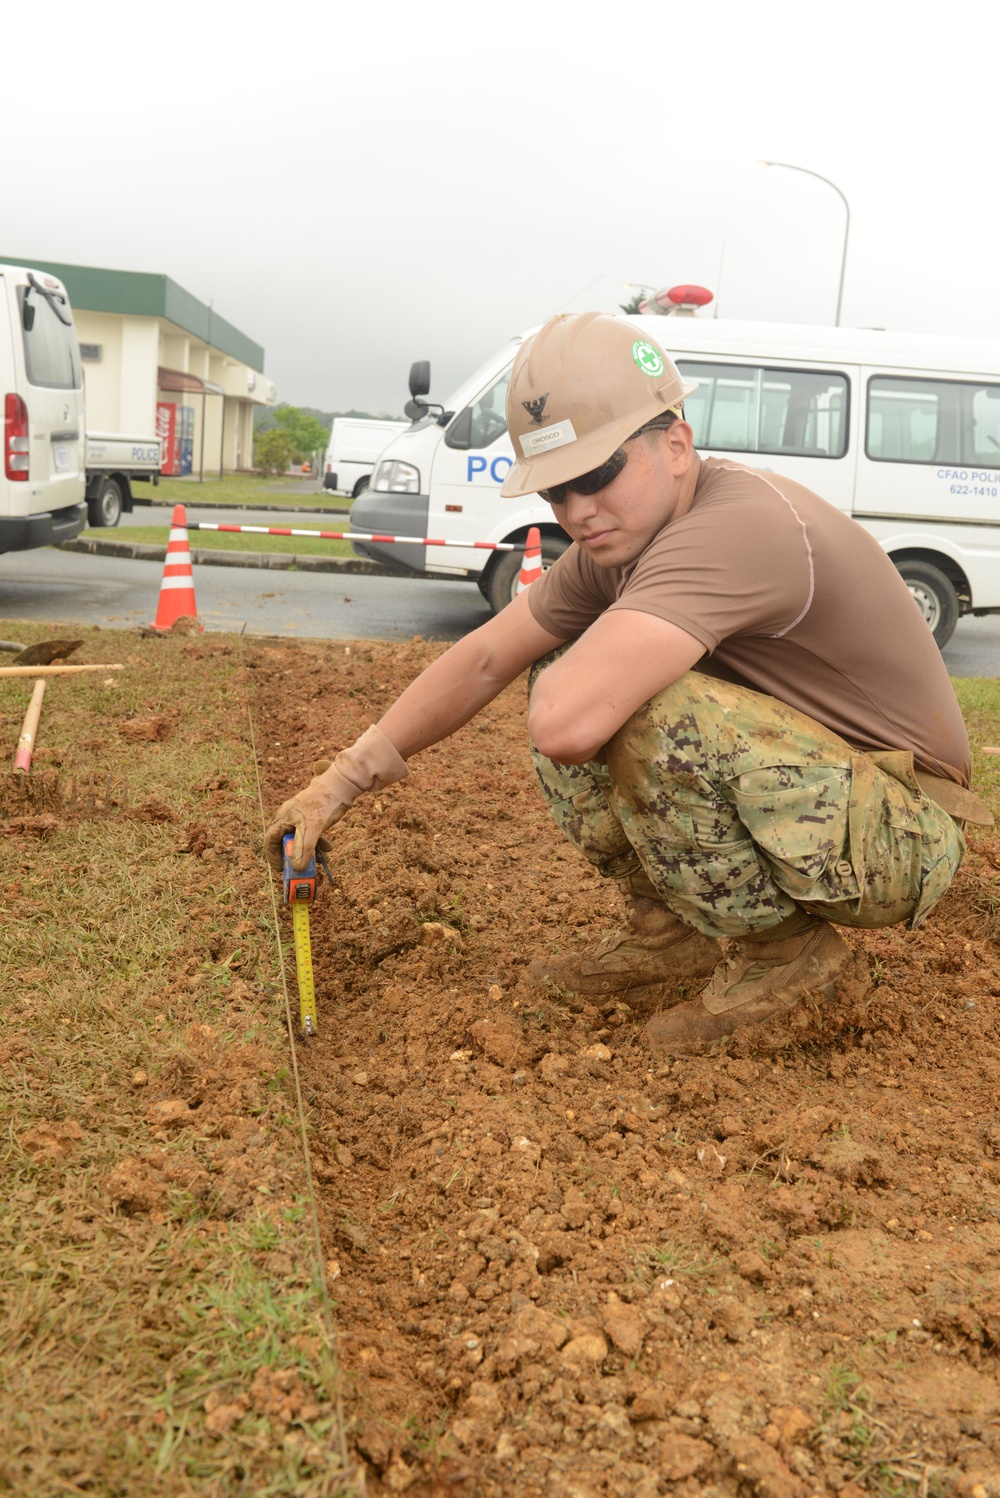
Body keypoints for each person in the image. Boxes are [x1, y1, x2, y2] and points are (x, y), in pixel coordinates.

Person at [265, 312, 988, 1055]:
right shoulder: (622, 543)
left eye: (598, 475)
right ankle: (676, 928)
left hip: (901, 832)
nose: (578, 511)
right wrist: (340, 780)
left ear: (676, 445)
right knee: (575, 677)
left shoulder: (736, 527)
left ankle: (787, 956)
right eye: (556, 492)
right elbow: (486, 657)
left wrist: (572, 664)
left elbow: (566, 724)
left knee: (623, 706)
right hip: (824, 799)